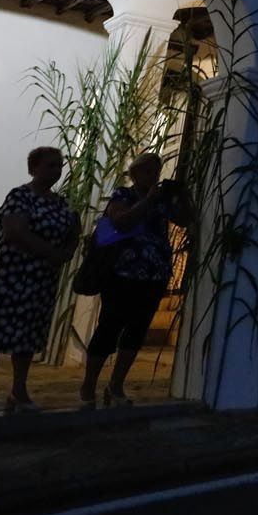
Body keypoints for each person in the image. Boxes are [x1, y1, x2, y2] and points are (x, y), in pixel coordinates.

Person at [0, 146, 79, 414]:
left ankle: (19, 390)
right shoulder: (20, 196)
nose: (56, 170)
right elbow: (14, 231)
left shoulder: (61, 203)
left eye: (59, 165)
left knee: (27, 335)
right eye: (50, 165)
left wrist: (66, 250)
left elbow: (72, 233)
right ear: (34, 168)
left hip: (41, 280)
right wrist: (51, 252)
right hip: (11, 276)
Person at [79, 152, 190, 410]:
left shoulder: (162, 201)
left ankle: (116, 384)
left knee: (136, 331)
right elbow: (121, 221)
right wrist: (147, 202)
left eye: (157, 171)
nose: (153, 176)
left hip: (154, 274)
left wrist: (182, 197)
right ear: (135, 173)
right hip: (122, 273)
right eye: (148, 171)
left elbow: (184, 220)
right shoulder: (123, 195)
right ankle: (89, 384)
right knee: (109, 327)